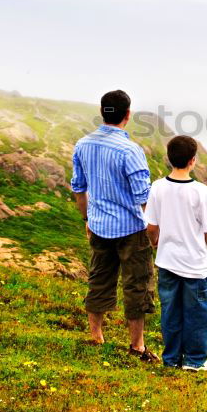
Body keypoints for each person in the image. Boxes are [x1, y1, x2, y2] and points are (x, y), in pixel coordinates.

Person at [71, 89, 158, 361]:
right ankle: (137, 347)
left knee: (99, 278)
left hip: (98, 225)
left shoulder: (82, 144)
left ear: (101, 112)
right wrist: (154, 229)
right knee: (137, 285)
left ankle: (96, 336)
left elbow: (79, 187)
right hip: (131, 228)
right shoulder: (130, 150)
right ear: (128, 115)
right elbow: (144, 197)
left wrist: (86, 219)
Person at [144, 135, 207, 371]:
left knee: (171, 312)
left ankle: (171, 359)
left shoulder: (157, 187)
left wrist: (156, 242)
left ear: (169, 159)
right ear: (192, 160)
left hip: (167, 262)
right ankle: (194, 361)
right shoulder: (200, 191)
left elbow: (151, 227)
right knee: (197, 314)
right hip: (196, 265)